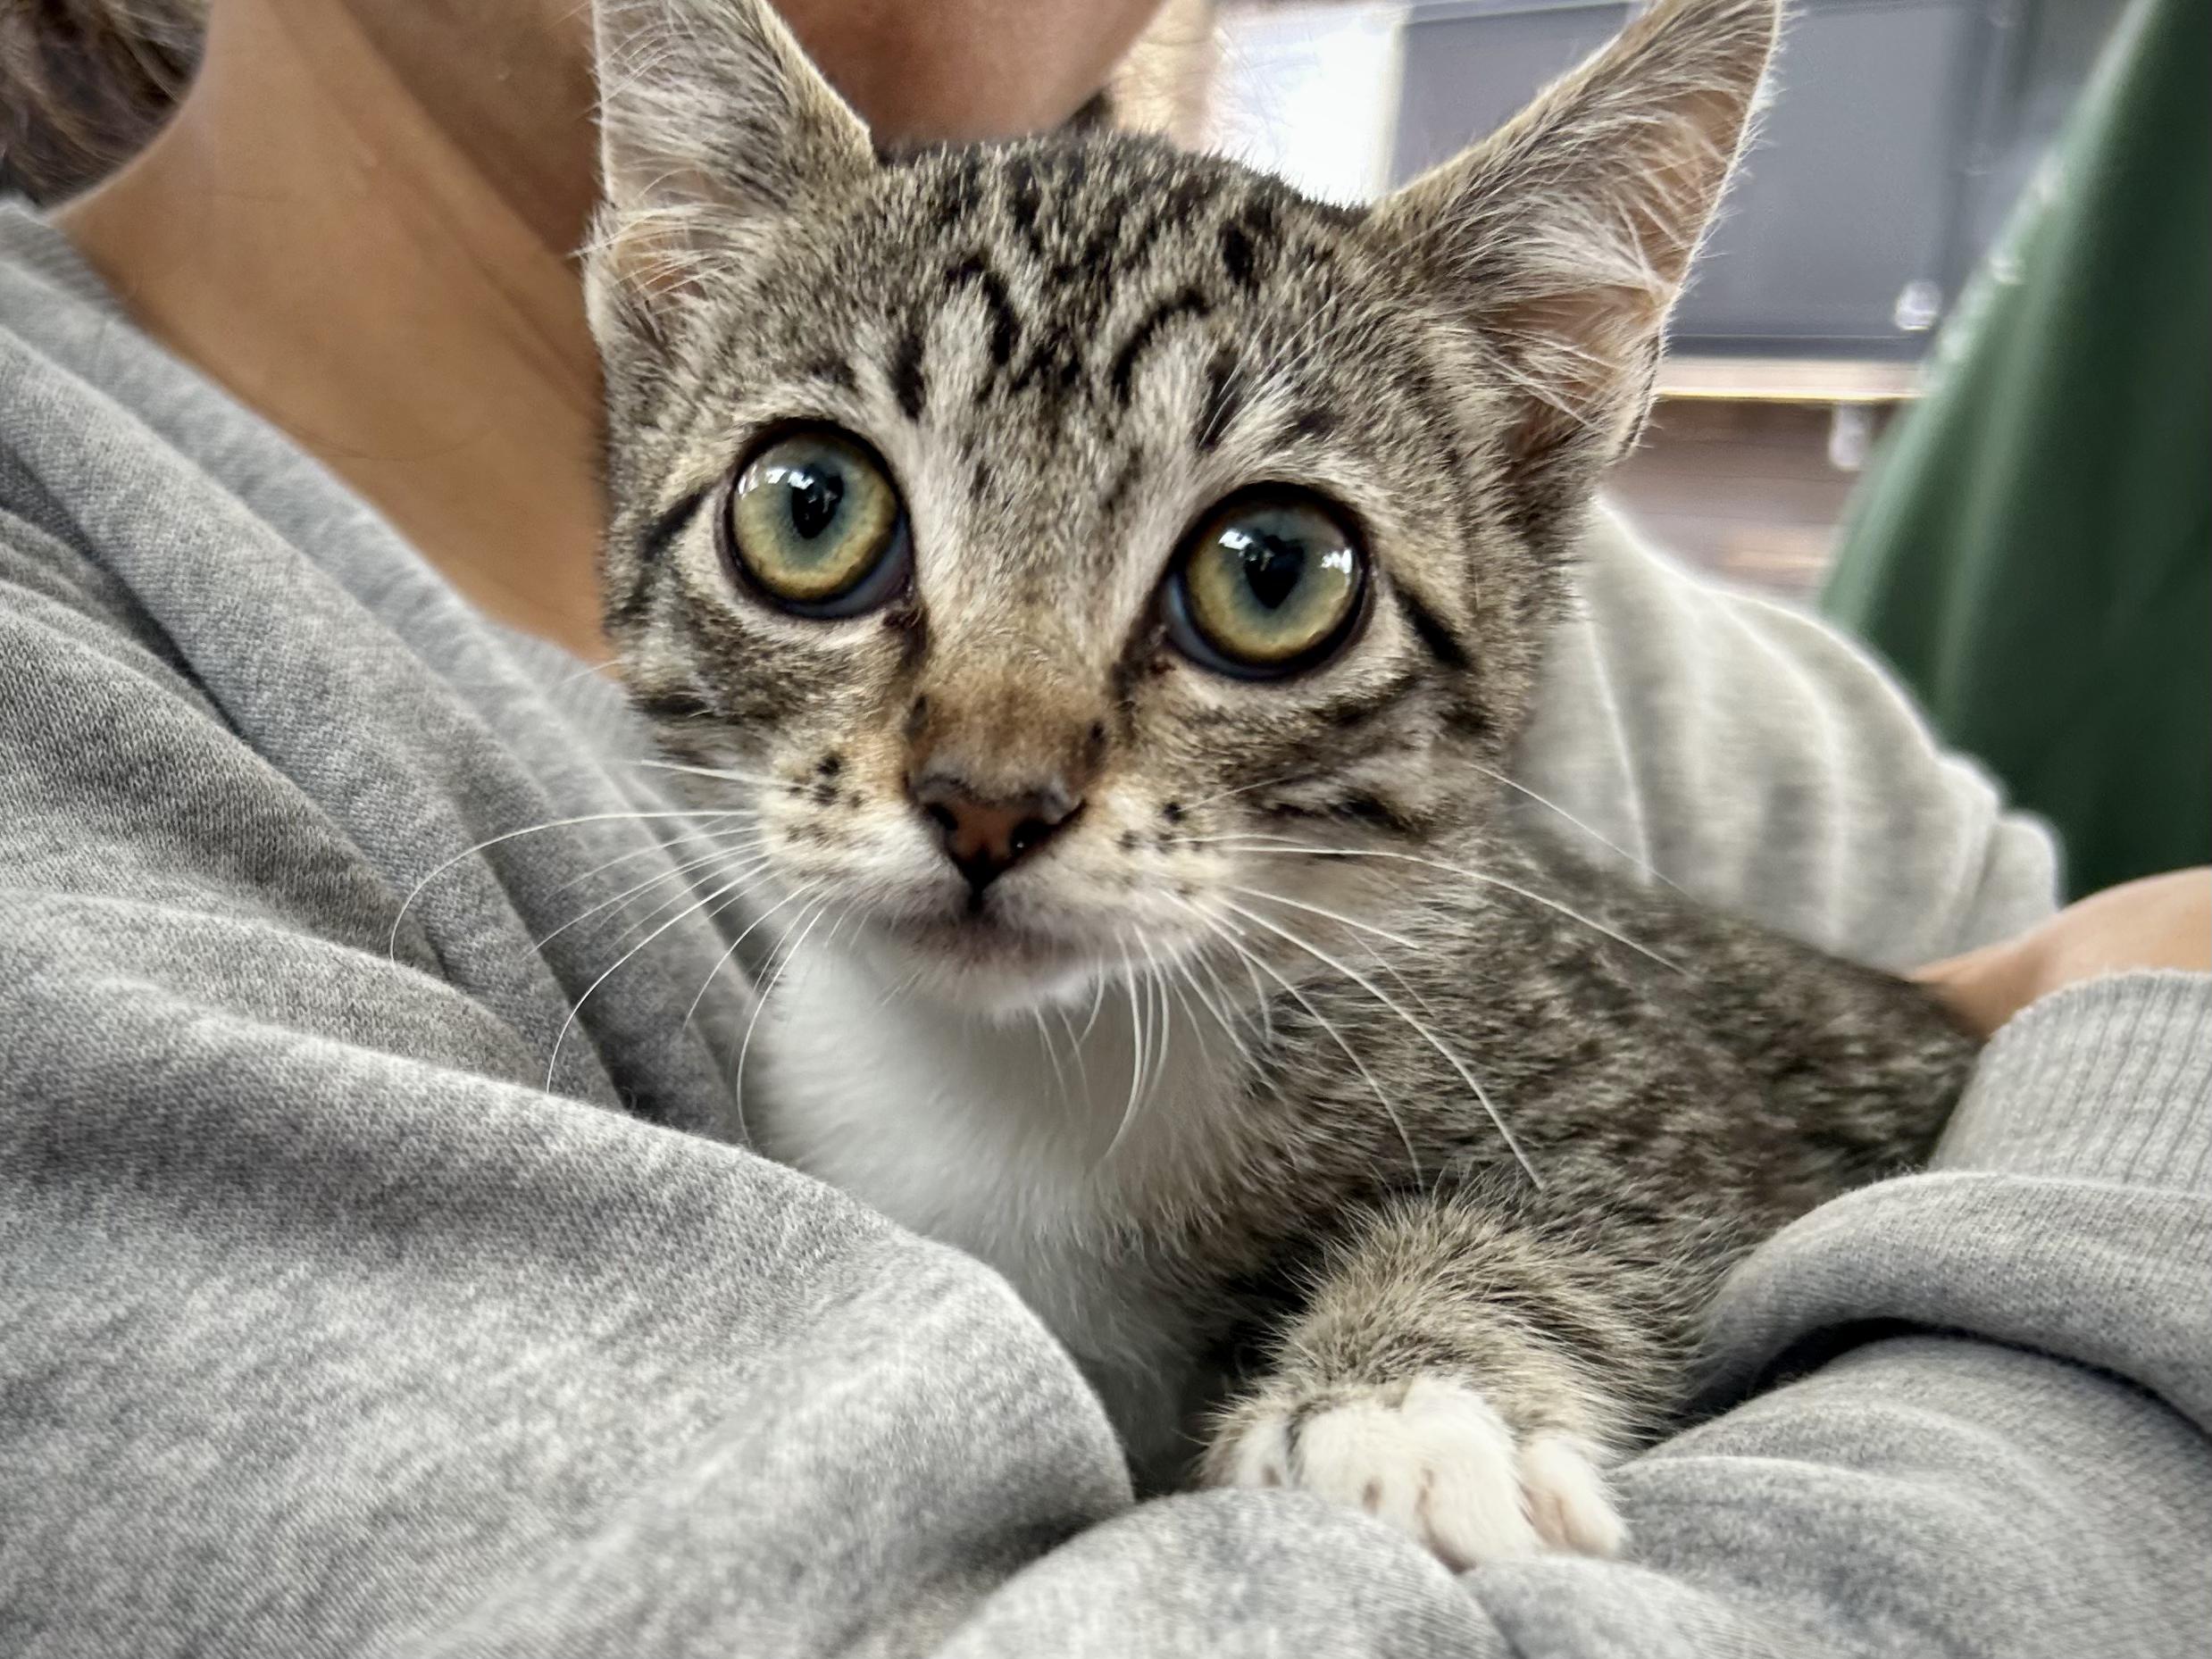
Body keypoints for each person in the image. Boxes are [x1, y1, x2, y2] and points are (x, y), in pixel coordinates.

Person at [1, 3, 2204, 1655]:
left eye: (1264, 578)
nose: (998, 766)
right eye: (819, 517)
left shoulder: (1637, 669)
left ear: (1535, 435)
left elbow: (1734, 1132)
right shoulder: (80, 689)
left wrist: (1431, 1336)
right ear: (667, 281)